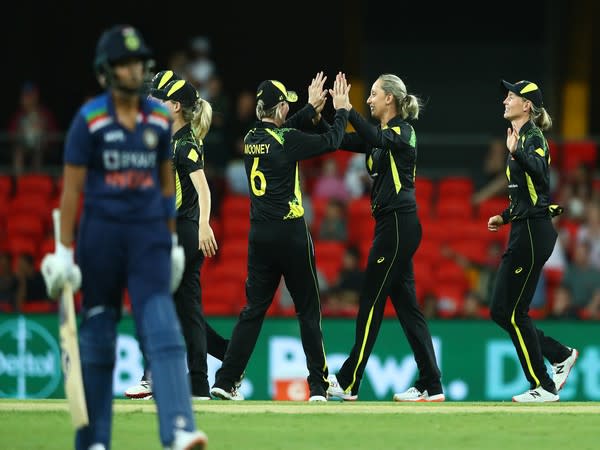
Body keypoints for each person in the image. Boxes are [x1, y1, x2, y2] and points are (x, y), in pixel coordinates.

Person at [40, 25, 207, 449]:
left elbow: (168, 189)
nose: (134, 70)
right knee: (99, 334)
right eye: (124, 64)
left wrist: (170, 241)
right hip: (101, 239)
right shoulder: (90, 119)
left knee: (163, 324)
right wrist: (63, 251)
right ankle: (95, 439)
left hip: (148, 236)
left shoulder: (156, 121)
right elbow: (72, 189)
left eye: (137, 63)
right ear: (106, 72)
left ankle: (179, 428)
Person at [210, 72, 351, 402]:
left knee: (253, 310)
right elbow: (330, 141)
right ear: (279, 108)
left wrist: (309, 108)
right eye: (286, 104)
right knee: (308, 311)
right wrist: (340, 110)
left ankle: (226, 379)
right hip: (291, 234)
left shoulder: (250, 138)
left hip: (259, 235)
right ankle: (318, 386)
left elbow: (282, 131)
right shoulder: (287, 141)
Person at [325, 73, 445, 402]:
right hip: (393, 226)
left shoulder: (403, 132)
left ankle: (349, 380)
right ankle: (431, 384)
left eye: (375, 94)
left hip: (397, 224)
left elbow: (372, 137)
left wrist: (348, 109)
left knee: (371, 302)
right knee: (407, 308)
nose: (370, 99)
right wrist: (318, 113)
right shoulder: (377, 136)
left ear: (390, 98)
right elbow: (339, 140)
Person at [125, 71, 237, 401]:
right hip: (174, 232)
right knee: (187, 311)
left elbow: (204, 189)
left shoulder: (185, 143)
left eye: (157, 98)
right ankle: (207, 379)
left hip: (183, 233)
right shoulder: (166, 139)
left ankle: (153, 376)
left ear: (174, 106)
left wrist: (204, 224)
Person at [487, 79, 578, 402]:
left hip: (533, 233)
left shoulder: (533, 138)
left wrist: (517, 154)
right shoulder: (521, 138)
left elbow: (540, 174)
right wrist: (505, 215)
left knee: (514, 312)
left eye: (511, 97)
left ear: (527, 106)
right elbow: (529, 194)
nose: (505, 101)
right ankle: (559, 355)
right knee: (500, 310)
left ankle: (543, 385)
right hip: (522, 228)